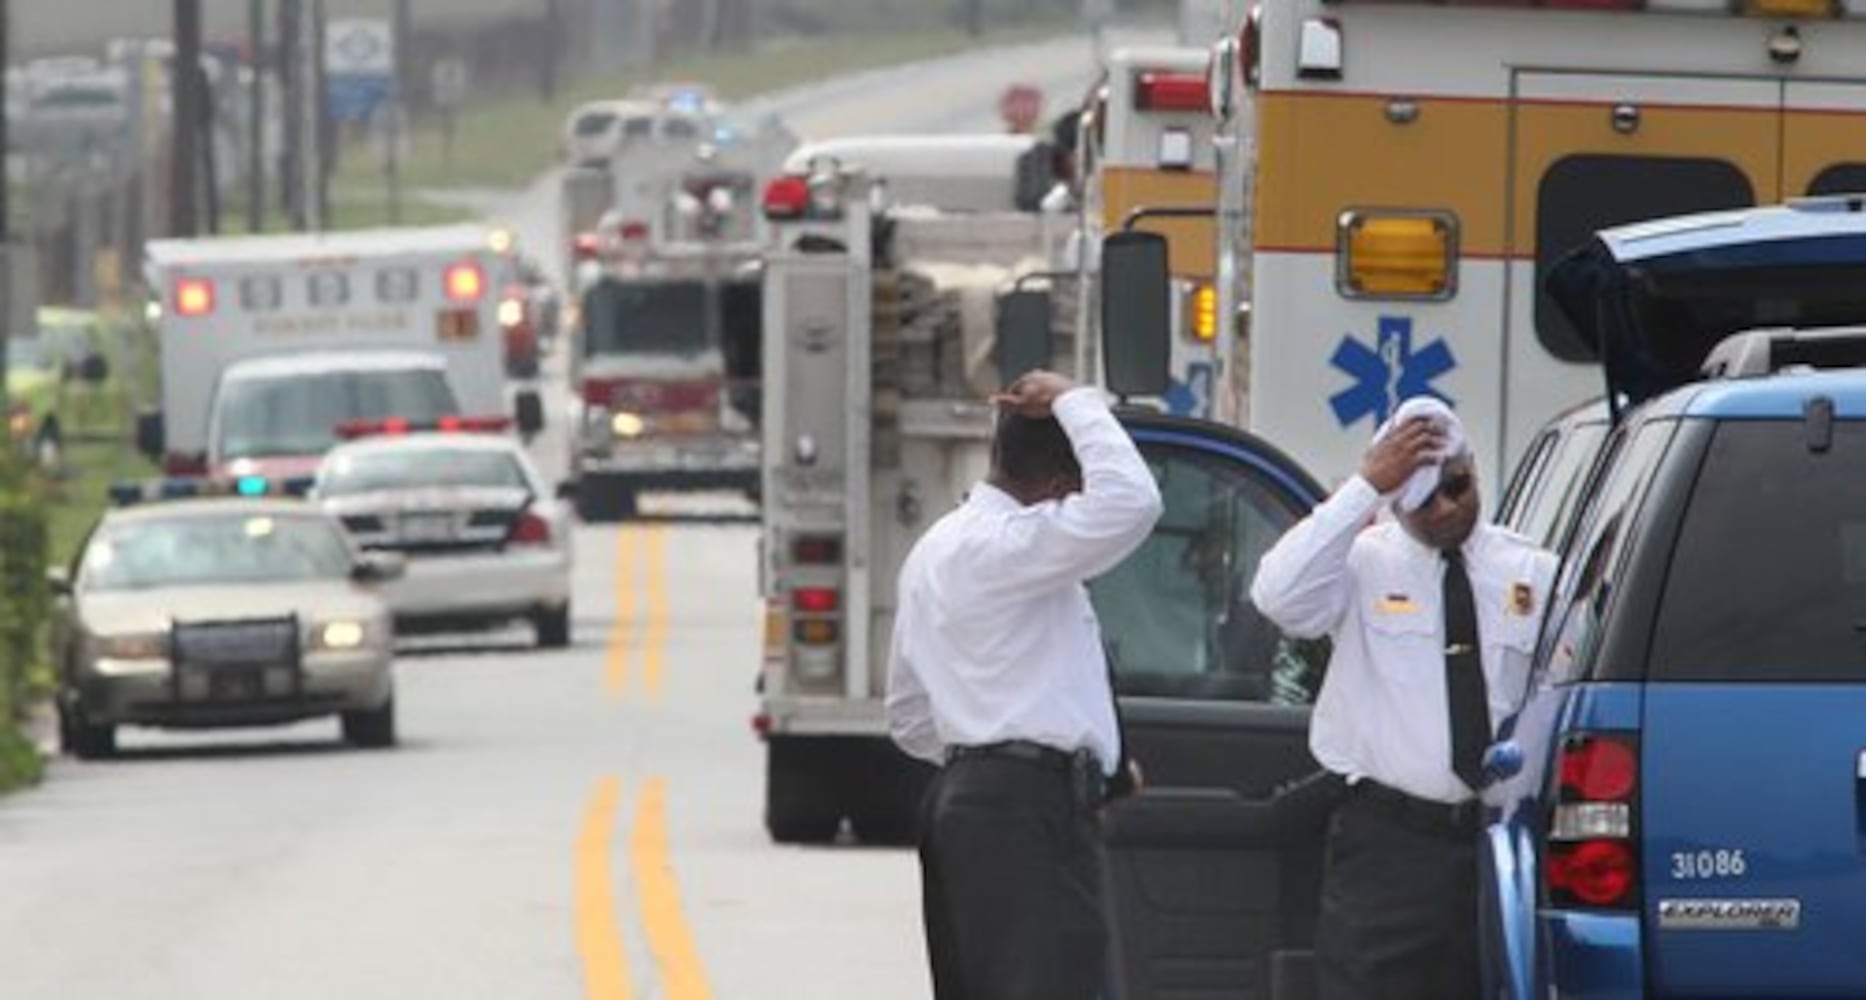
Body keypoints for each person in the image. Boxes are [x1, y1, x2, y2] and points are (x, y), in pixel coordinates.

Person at [1249, 396, 1557, 1000]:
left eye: (1457, 487)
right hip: (1391, 843)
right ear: (1394, 506)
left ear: (1475, 468)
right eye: (1420, 501)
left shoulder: (1534, 573)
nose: (1445, 509)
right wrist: (1365, 486)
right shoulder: (1362, 566)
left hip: (1499, 839)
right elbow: (1278, 595)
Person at [886, 369, 1163, 1000]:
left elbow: (907, 715)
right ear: (1064, 485)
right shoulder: (1010, 546)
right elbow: (1135, 502)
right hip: (1024, 813)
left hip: (967, 802)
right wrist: (1073, 399)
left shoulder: (936, 549)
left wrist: (980, 750)